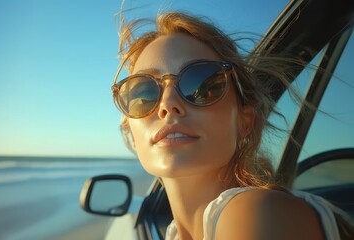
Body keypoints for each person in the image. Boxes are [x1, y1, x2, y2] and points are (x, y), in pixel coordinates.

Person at [111, 11, 353, 240]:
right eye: (143, 91)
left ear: (244, 121)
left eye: (204, 85)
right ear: (131, 132)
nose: (168, 105)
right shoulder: (177, 232)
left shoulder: (256, 212)